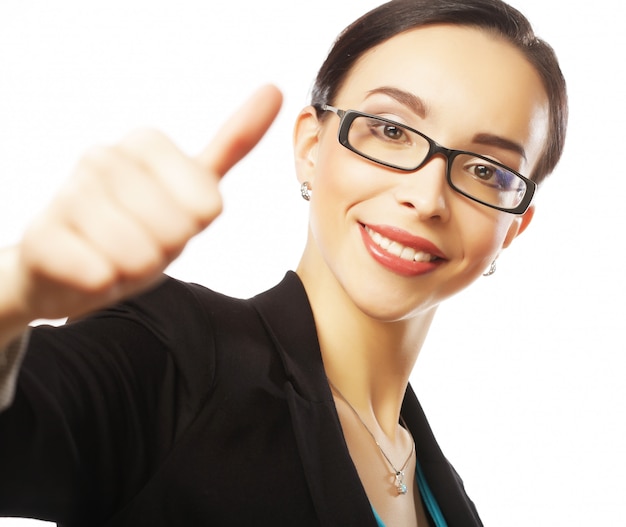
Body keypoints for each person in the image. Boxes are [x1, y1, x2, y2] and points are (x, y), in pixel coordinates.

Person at [0, 0, 567, 525]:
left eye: (487, 169)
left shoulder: (448, 498)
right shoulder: (172, 351)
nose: (427, 198)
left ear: (513, 226)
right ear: (311, 148)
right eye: (391, 131)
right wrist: (12, 293)